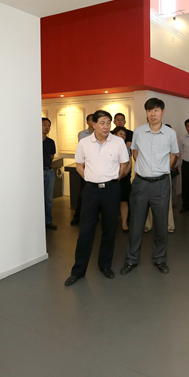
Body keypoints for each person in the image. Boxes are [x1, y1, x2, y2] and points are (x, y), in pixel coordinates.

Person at [64, 110, 130, 286]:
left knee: (109, 229)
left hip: (111, 190)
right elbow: (79, 165)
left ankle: (105, 265)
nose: (106, 126)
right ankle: (78, 271)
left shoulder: (118, 142)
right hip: (90, 191)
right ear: (93, 124)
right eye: (102, 122)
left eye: (108, 122)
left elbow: (124, 164)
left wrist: (115, 179)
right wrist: (89, 178)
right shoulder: (84, 143)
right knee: (85, 231)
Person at [121, 98, 178, 276]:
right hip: (140, 184)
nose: (153, 114)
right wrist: (145, 168)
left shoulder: (170, 133)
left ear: (162, 112)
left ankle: (160, 259)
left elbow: (173, 154)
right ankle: (131, 259)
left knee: (161, 225)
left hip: (161, 184)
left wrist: (162, 169)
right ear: (146, 112)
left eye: (156, 110)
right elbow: (135, 152)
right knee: (136, 224)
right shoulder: (138, 131)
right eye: (149, 111)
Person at [71, 113, 94, 225]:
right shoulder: (82, 134)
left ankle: (94, 216)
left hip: (96, 168)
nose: (93, 121)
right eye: (91, 119)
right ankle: (77, 216)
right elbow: (82, 149)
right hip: (85, 167)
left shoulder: (102, 134)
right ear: (87, 122)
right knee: (83, 193)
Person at [113, 126, 132, 233]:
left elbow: (130, 162)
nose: (123, 136)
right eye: (120, 134)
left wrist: (125, 171)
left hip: (124, 178)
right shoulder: (109, 147)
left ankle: (124, 223)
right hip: (112, 178)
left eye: (124, 135)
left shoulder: (127, 148)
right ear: (114, 135)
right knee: (112, 201)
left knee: (124, 201)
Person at [42, 118, 57, 230]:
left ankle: (48, 221)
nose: (47, 127)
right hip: (36, 173)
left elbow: (51, 157)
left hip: (48, 171)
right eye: (45, 125)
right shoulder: (33, 142)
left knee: (49, 199)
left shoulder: (50, 142)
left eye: (49, 125)